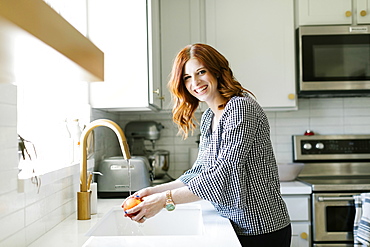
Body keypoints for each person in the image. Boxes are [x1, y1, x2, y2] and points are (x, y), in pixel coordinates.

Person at [122, 43, 291, 247]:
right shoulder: (210, 116)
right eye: (187, 77)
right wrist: (155, 192)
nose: (195, 82)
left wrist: (164, 200)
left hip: (261, 228)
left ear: (217, 71)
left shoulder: (240, 108)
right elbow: (200, 171)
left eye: (201, 72)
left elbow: (224, 173)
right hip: (235, 224)